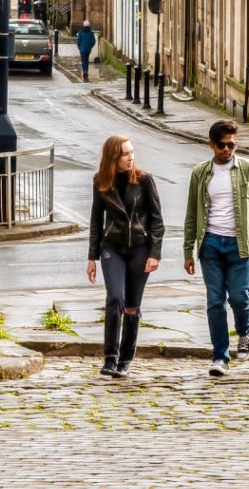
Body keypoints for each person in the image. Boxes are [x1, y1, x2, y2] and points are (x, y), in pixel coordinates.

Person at [183, 119, 249, 377]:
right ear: (211, 145)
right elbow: (191, 214)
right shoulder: (200, 173)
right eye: (222, 145)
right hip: (210, 244)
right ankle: (220, 356)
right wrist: (189, 251)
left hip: (240, 245)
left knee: (241, 297)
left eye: (231, 145)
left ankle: (245, 334)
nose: (227, 150)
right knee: (215, 302)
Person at [86, 134, 164, 378]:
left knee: (131, 307)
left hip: (140, 249)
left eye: (132, 152)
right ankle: (110, 357)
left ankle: (125, 360)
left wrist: (155, 253)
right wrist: (92, 257)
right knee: (114, 300)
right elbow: (96, 221)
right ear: (113, 157)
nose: (131, 157)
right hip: (112, 248)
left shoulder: (144, 181)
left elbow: (157, 222)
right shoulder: (101, 181)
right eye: (125, 154)